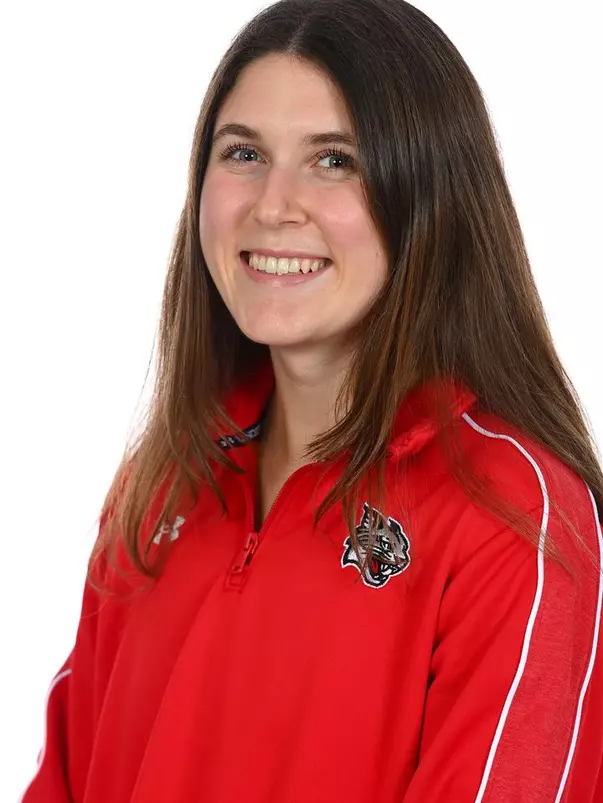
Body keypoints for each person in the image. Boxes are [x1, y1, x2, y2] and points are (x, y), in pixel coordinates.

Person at [19, 0, 603, 801]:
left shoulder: (512, 518)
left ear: (430, 195)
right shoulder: (158, 488)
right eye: (243, 153)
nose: (272, 204)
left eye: (333, 160)